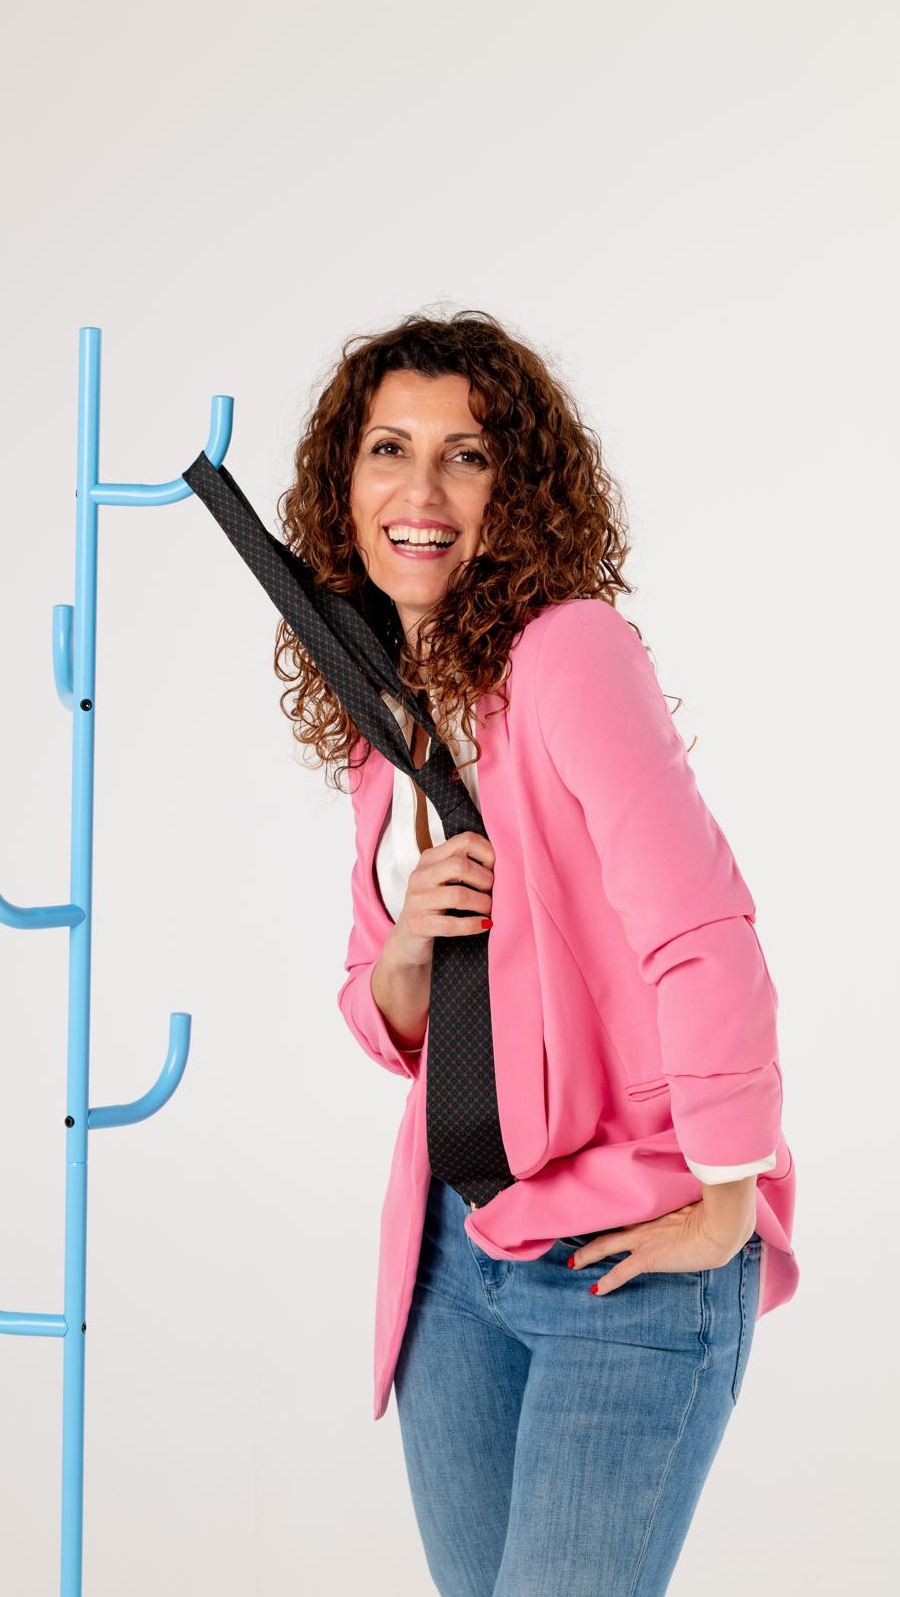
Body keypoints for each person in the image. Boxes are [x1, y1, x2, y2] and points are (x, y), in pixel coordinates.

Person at [275, 309, 798, 1596]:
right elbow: (390, 1012)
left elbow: (702, 931)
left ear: (514, 492)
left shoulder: (566, 652)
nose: (420, 491)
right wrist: (407, 944)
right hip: (453, 1262)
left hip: (624, 1253)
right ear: (343, 487)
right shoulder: (388, 714)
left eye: (465, 455)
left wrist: (729, 1196)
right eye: (388, 450)